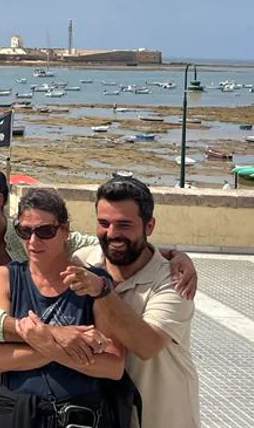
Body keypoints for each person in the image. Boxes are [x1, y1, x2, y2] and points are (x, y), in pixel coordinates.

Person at [0, 149, 196, 428]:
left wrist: (170, 254)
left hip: (151, 410)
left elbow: (107, 244)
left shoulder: (102, 273)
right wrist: (52, 335)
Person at [66, 176, 201, 428]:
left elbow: (146, 345)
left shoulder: (174, 280)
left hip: (161, 418)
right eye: (103, 223)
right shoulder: (82, 261)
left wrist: (102, 290)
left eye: (124, 225)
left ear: (149, 226)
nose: (112, 234)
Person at [0, 188, 125, 427]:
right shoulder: (4, 278)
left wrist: (40, 341)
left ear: (65, 230)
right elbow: (0, 359)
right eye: (25, 231)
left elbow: (113, 366)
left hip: (78, 416)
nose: (33, 241)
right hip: (19, 415)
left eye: (45, 231)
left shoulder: (93, 283)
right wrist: (72, 343)